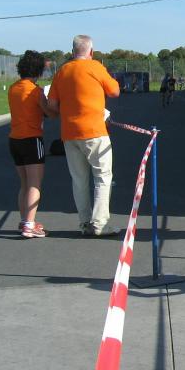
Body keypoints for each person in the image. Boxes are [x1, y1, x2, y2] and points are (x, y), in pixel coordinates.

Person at [47, 35, 121, 236]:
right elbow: (115, 91)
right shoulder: (96, 67)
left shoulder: (62, 71)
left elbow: (52, 104)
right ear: (91, 52)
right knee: (103, 177)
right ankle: (100, 224)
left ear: (72, 52)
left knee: (79, 179)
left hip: (69, 134)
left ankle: (85, 223)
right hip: (95, 132)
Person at [8, 50, 57, 238]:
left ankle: (25, 220)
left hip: (15, 139)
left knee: (24, 184)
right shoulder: (36, 91)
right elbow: (50, 113)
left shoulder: (13, 88)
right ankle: (29, 225)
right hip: (32, 139)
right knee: (34, 185)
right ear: (38, 70)